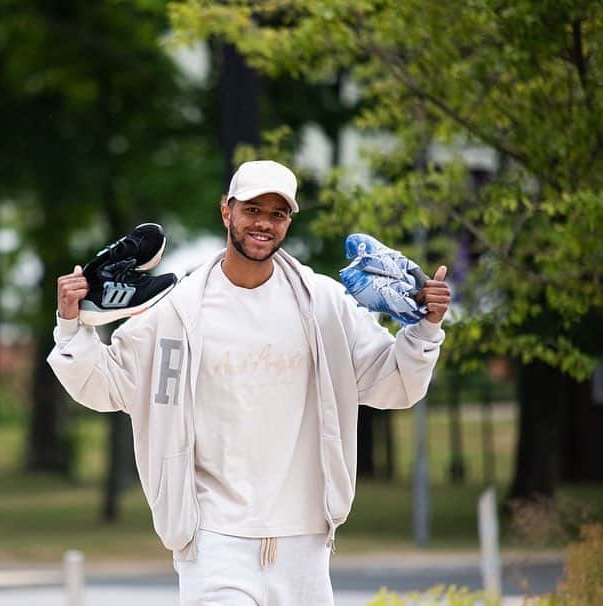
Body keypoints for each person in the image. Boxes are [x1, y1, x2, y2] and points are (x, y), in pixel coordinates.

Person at [49, 160, 450, 605]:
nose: (264, 223)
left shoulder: (325, 305)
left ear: (289, 222)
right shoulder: (175, 310)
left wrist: (425, 330)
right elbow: (108, 387)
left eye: (277, 214)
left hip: (306, 539)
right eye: (252, 209)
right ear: (227, 212)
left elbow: (392, 383)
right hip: (213, 539)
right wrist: (71, 324)